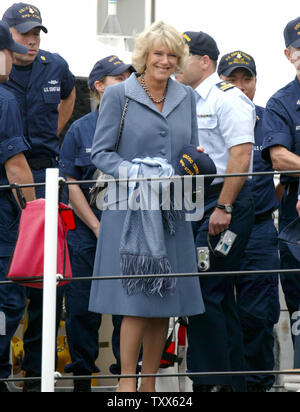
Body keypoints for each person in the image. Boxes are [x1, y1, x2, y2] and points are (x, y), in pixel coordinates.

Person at [88, 21, 205, 393]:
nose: (165, 61)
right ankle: (126, 386)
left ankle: (150, 387)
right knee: (135, 301)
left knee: (165, 303)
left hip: (171, 211)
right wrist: (134, 172)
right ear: (144, 56)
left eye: (172, 55)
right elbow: (100, 153)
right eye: (158, 53)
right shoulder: (119, 94)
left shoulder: (186, 96)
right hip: (128, 211)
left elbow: (192, 151)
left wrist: (195, 165)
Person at [0, 3, 76, 391]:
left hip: (44, 172)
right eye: (23, 33)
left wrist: (53, 136)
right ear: (6, 33)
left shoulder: (55, 64)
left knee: (46, 281)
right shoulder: (3, 85)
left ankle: (36, 370)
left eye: (36, 33)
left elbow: (69, 94)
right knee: (10, 280)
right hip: (9, 174)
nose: (31, 40)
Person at [179, 31, 256, 392]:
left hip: (224, 202)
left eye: (182, 57)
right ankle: (228, 381)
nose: (174, 64)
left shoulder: (229, 98)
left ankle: (210, 382)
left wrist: (224, 206)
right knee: (216, 294)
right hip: (196, 201)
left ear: (204, 61)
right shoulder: (184, 99)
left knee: (205, 291)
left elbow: (241, 155)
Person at [59, 55, 133, 392]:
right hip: (87, 232)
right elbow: (69, 182)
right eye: (118, 79)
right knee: (80, 309)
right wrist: (95, 226)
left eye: (129, 78)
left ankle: (125, 380)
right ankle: (81, 381)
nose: (127, 83)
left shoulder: (140, 125)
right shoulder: (80, 129)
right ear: (98, 86)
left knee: (127, 309)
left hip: (131, 230)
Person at [218, 51, 280, 392]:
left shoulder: (267, 118)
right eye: (232, 80)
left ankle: (259, 383)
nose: (241, 87)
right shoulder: (210, 115)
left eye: (247, 79)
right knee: (219, 308)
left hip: (258, 228)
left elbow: (282, 171)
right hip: (219, 226)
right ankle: (225, 383)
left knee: (258, 313)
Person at [0, 20, 36, 393]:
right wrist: (35, 219)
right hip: (2, 221)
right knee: (7, 300)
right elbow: (16, 168)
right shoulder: (4, 98)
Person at [261, 17, 300, 350]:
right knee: (298, 299)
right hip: (294, 217)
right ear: (288, 54)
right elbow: (279, 158)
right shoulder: (281, 102)